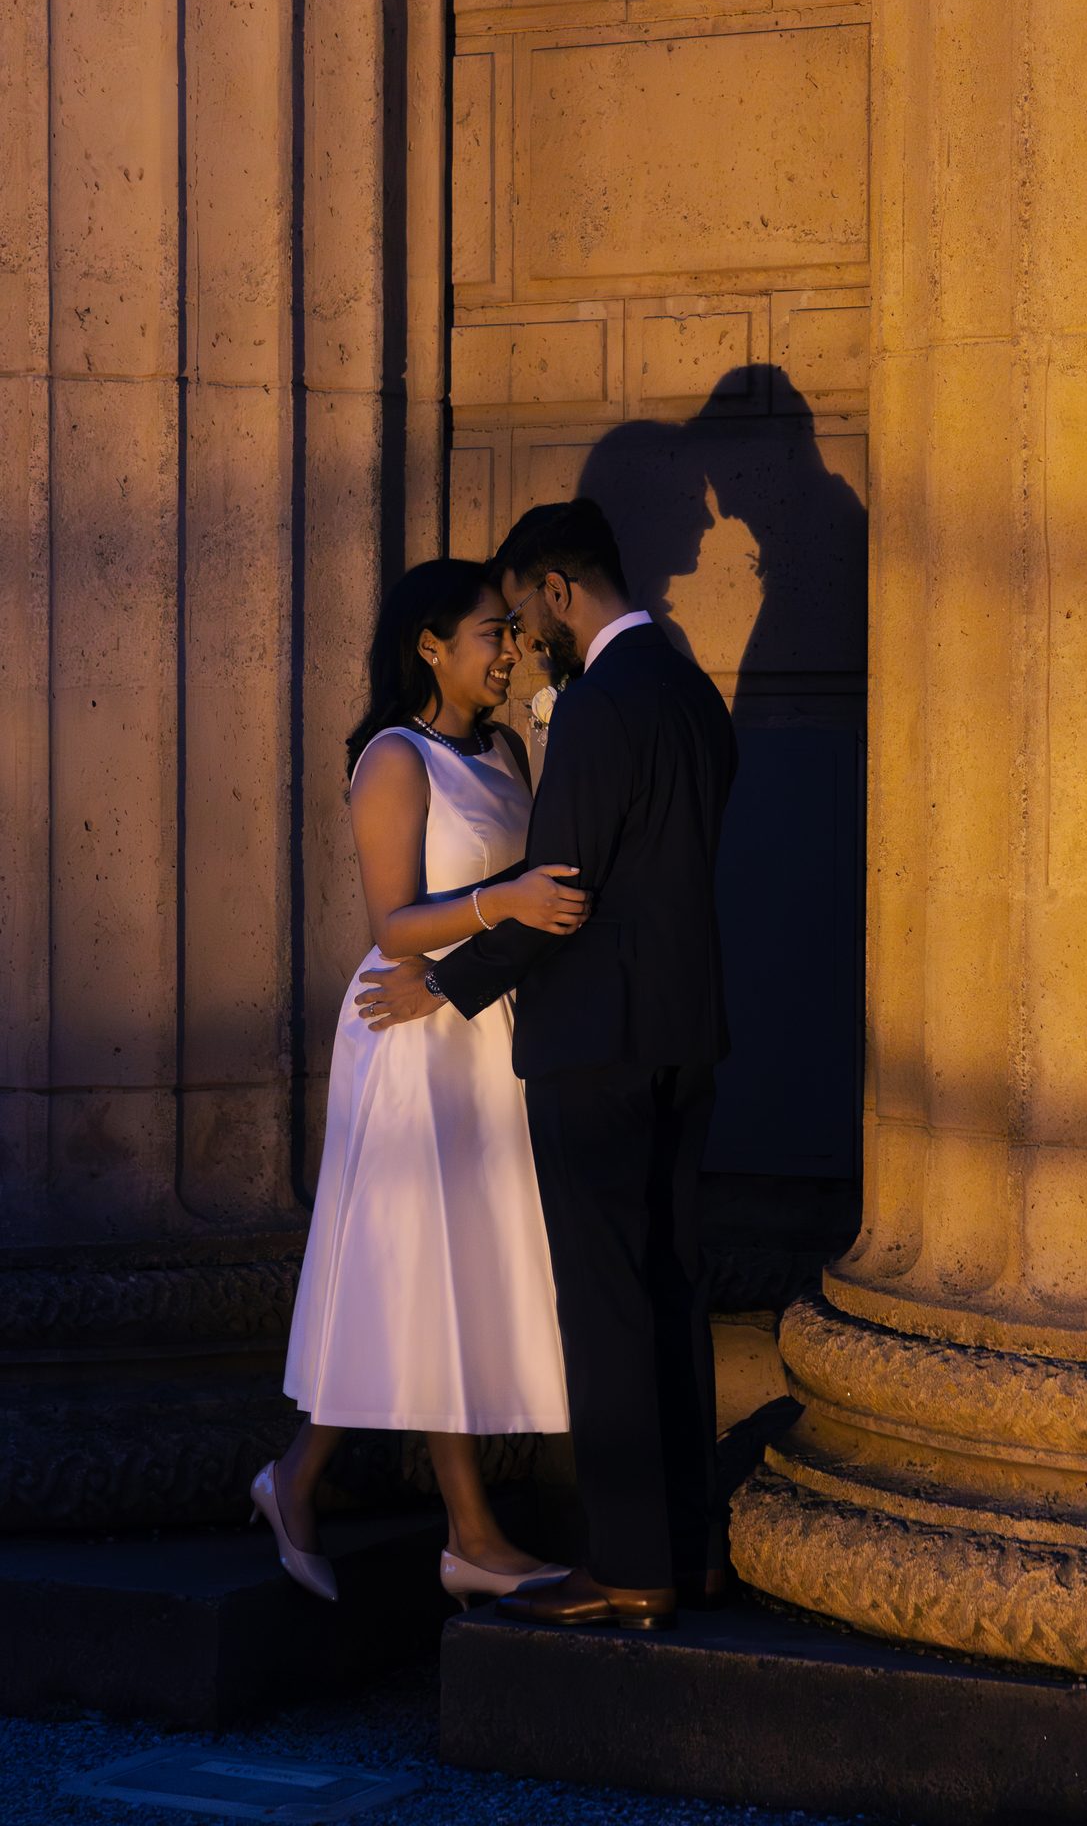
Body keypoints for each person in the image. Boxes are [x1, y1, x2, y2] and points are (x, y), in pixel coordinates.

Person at [357, 499, 738, 1631]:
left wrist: (448, 982)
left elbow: (560, 891)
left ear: (559, 589)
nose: (524, 635)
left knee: (610, 1301)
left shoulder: (597, 710)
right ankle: (690, 1548)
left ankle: (629, 1564)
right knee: (672, 1290)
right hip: (685, 1028)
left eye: (525, 609)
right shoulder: (685, 688)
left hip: (596, 1041)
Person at [253, 559, 588, 1605]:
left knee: (450, 1274)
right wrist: (507, 900)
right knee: (416, 1268)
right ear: (430, 645)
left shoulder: (499, 747)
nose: (509, 649)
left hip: (474, 1022)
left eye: (509, 630)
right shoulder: (393, 759)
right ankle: (463, 1531)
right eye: (491, 632)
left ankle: (322, 1484)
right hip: (408, 1030)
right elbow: (391, 922)